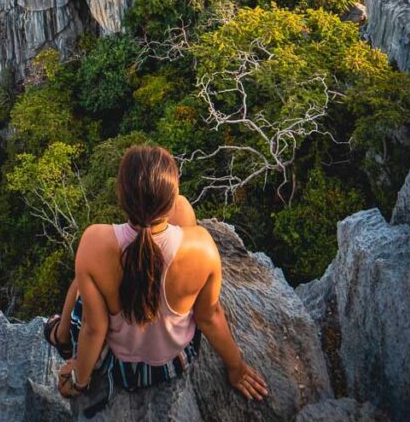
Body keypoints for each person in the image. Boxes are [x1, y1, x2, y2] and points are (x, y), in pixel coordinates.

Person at [44, 144, 267, 416]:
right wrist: (236, 368)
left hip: (123, 367)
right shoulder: (203, 247)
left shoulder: (94, 242)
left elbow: (94, 328)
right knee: (186, 210)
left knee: (80, 281)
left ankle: (61, 334)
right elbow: (210, 316)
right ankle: (62, 333)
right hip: (174, 362)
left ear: (121, 197)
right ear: (169, 199)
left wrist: (79, 379)